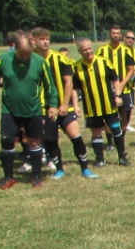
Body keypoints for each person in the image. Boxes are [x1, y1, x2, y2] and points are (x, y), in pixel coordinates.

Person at [0, 31, 59, 189]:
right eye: (22, 54)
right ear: (15, 48)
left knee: (35, 142)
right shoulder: (4, 60)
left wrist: (52, 104)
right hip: (9, 110)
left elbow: (50, 85)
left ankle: (36, 177)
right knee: (7, 141)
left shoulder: (39, 62)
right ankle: (8, 177)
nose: (25, 57)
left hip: (33, 110)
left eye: (28, 54)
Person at [31, 27, 94, 180]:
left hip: (64, 106)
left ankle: (85, 169)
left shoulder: (60, 58)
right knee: (51, 140)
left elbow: (68, 82)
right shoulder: (31, 60)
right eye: (42, 39)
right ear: (34, 41)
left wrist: (65, 104)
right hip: (45, 108)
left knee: (76, 136)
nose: (45, 41)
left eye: (47, 38)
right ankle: (59, 169)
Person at [74, 38, 128, 168]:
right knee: (96, 132)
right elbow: (75, 89)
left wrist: (117, 95)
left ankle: (122, 157)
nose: (88, 51)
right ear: (79, 51)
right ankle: (100, 160)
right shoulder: (76, 67)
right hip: (91, 107)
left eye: (89, 48)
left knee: (116, 129)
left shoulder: (104, 62)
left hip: (109, 104)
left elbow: (115, 80)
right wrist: (75, 105)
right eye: (84, 50)